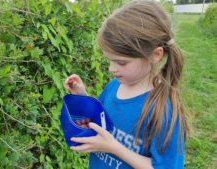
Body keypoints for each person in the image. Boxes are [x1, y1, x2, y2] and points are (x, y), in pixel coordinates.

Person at [63, 1, 188, 169]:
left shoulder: (163, 109)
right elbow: (100, 118)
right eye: (109, 60)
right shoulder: (114, 86)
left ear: (156, 55)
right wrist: (82, 96)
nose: (111, 68)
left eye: (121, 62)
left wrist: (113, 148)